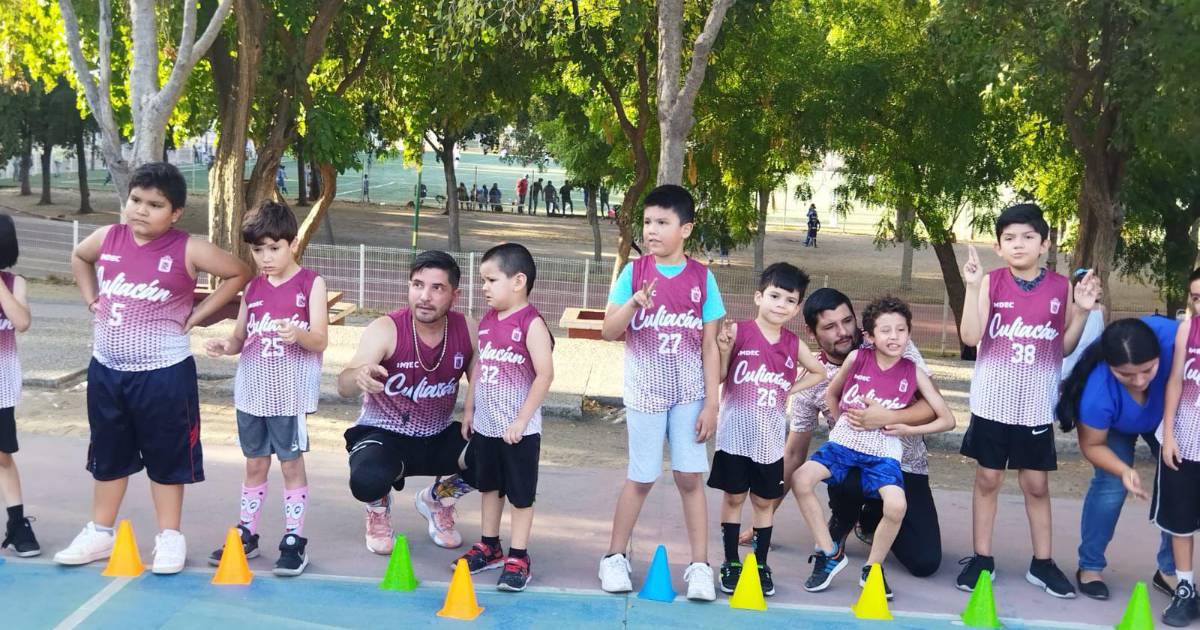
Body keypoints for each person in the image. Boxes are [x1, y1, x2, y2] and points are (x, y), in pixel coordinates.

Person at [58, 162, 252, 573]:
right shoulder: (108, 237)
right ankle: (100, 532)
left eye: (155, 204)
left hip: (164, 372)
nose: (141, 210)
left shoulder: (188, 248)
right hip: (107, 369)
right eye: (136, 200)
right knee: (108, 454)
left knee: (167, 457)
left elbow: (239, 272)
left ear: (175, 212)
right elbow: (79, 257)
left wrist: (199, 314)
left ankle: (169, 537)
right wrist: (91, 298)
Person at [957, 202, 1100, 597]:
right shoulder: (991, 283)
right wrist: (972, 287)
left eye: (1028, 237)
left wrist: (1082, 313)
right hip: (992, 401)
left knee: (1036, 484)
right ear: (999, 246)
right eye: (1009, 238)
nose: (1018, 244)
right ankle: (981, 559)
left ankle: (1043, 563)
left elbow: (1063, 347)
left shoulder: (1060, 287)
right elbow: (970, 337)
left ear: (1045, 243)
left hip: (1036, 403)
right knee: (988, 478)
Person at [598, 185, 726, 601]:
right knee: (642, 476)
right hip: (645, 394)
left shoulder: (703, 278)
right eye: (648, 222)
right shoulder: (633, 274)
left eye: (662, 222)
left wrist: (712, 403)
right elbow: (608, 330)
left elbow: (710, 346)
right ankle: (614, 557)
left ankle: (700, 566)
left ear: (685, 229)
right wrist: (634, 304)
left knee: (690, 477)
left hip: (689, 394)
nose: (652, 230)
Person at [794, 296, 956, 599]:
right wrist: (841, 425)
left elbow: (946, 418)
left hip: (884, 455)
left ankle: (873, 566)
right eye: (886, 331)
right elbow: (831, 393)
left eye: (901, 330)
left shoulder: (911, 367)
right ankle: (829, 551)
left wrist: (903, 425)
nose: (894, 336)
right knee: (801, 479)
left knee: (899, 511)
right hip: (845, 449)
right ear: (870, 336)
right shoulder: (857, 358)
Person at [203, 201, 328, 577]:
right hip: (252, 391)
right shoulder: (254, 287)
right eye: (258, 250)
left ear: (293, 244)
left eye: (274, 248)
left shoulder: (311, 284)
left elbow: (320, 340)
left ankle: (294, 538)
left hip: (289, 394)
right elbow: (240, 337)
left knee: (290, 464)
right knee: (255, 463)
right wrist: (226, 345)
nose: (266, 257)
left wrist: (298, 334)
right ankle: (247, 532)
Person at [338, 250, 480, 554]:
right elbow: (343, 386)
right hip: (385, 435)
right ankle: (378, 508)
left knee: (498, 455)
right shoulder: (386, 328)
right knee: (366, 479)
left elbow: (481, 379)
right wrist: (359, 375)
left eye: (437, 288)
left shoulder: (467, 328)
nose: (425, 296)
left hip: (438, 435)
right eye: (418, 285)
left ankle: (438, 498)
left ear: (455, 295)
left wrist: (473, 409)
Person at [710, 263, 826, 597]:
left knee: (763, 501)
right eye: (775, 296)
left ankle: (760, 564)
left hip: (770, 440)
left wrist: (790, 389)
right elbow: (719, 377)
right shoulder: (739, 331)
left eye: (790, 300)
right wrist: (723, 350)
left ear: (797, 308)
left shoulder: (792, 343)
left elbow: (819, 372)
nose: (781, 305)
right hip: (734, 436)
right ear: (759, 297)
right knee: (734, 497)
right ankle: (731, 561)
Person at [1055, 316, 1178, 601]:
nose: (1140, 381)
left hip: (1167, 418)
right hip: (1116, 427)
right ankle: (1090, 566)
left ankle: (1169, 571)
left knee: (1179, 480)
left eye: (1148, 370)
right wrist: (1124, 470)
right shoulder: (1096, 392)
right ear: (1110, 366)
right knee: (1111, 486)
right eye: (1126, 375)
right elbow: (1093, 445)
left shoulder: (1176, 343)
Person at [454, 243, 554, 592]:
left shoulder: (532, 324)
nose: (484, 287)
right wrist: (469, 409)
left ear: (518, 281)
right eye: (483, 280)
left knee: (520, 494)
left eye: (491, 280)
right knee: (490, 486)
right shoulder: (486, 322)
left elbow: (545, 375)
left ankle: (519, 556)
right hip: (487, 426)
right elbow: (480, 369)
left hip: (518, 431)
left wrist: (521, 420)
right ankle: (489, 545)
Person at [1157, 268, 1200, 626]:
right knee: (1181, 520)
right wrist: (1169, 434)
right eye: (1196, 298)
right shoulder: (1188, 328)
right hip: (1186, 440)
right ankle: (1185, 588)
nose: (1199, 305)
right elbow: (1175, 381)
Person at [0, 214, 39, 557]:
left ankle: (16, 524)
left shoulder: (15, 284)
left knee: (2, 456)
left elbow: (21, 321)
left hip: (1, 387)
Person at [1062, 267, 1107, 379]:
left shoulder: (1101, 309)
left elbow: (1103, 332)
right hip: (1073, 355)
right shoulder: (1072, 308)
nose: (1099, 289)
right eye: (1094, 286)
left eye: (1099, 285)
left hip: (1092, 354)